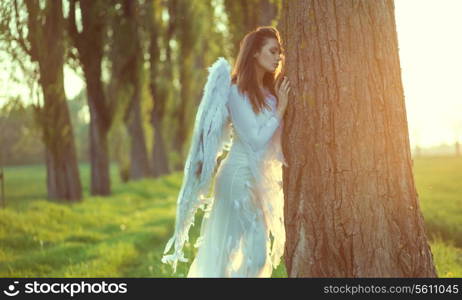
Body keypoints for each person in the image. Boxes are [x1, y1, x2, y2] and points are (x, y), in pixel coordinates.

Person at [162, 26, 291, 277]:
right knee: (226, 255)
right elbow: (255, 139)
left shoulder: (272, 94)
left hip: (260, 182)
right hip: (237, 179)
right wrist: (281, 111)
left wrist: (280, 106)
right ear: (254, 53)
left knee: (257, 257)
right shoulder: (235, 92)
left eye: (280, 52)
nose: (278, 57)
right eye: (272, 51)